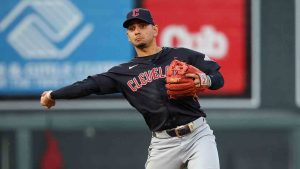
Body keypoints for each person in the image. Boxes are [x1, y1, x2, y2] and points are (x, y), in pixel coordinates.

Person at [40, 8, 224, 169]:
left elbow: (218, 76)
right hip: (164, 144)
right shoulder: (122, 73)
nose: (137, 31)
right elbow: (88, 85)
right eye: (132, 28)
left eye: (142, 26)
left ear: (155, 29)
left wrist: (206, 80)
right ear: (128, 36)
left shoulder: (181, 55)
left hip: (198, 136)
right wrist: (53, 94)